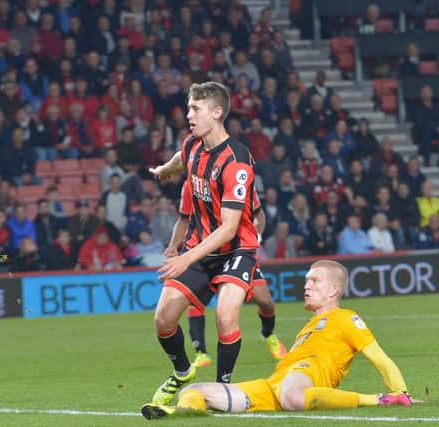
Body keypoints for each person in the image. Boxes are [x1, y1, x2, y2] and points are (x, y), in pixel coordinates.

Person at [142, 259, 419, 419]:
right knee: (195, 391)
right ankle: (181, 414)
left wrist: (400, 392)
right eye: (307, 280)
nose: (306, 286)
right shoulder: (308, 327)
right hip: (272, 387)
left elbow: (379, 358)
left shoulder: (346, 317)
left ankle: (379, 400)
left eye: (314, 282)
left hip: (304, 377)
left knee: (292, 395)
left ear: (334, 290)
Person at [147, 81, 259, 406]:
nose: (188, 114)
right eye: (189, 108)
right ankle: (183, 372)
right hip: (200, 247)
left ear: (217, 112)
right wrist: (165, 170)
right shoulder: (194, 144)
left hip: (235, 249)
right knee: (163, 319)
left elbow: (229, 227)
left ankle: (223, 388)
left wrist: (185, 258)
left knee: (225, 316)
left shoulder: (236, 160)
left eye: (195, 109)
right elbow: (181, 158)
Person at [166, 181, 287, 369]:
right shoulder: (191, 184)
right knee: (194, 302)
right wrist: (174, 244)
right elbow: (183, 218)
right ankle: (201, 353)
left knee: (265, 301)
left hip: (237, 252)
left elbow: (259, 215)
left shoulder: (240, 179)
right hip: (203, 252)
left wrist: (256, 237)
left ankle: (268, 334)